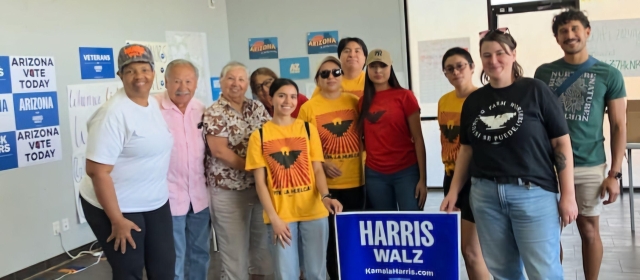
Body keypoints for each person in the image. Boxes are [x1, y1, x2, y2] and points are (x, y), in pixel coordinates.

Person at [440, 29, 579, 279]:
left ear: (513, 54)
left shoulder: (536, 91)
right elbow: (467, 149)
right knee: (503, 272)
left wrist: (568, 195)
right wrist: (454, 191)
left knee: (544, 271)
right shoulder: (474, 101)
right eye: (486, 55)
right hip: (485, 196)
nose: (493, 60)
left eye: (500, 53)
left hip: (533, 194)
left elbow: (561, 144)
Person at [534, 9, 626, 280]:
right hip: (547, 167)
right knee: (549, 234)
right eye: (563, 31)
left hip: (589, 164)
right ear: (557, 38)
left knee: (588, 231)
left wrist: (614, 174)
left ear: (587, 31)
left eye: (575, 29)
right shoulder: (544, 72)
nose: (569, 35)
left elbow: (619, 125)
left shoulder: (609, 74)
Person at [79, 44, 175, 280]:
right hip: (116, 206)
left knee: (163, 269)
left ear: (153, 72)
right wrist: (117, 220)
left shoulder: (151, 103)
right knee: (129, 270)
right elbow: (97, 172)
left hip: (154, 201)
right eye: (130, 71)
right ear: (120, 75)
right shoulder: (112, 114)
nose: (139, 76)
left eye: (144, 69)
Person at [245, 78, 343, 280]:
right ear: (271, 99)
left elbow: (317, 170)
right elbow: (260, 183)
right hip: (281, 216)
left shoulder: (308, 129)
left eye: (292, 96)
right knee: (286, 274)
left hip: (314, 213)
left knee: (316, 272)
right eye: (281, 95)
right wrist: (274, 218)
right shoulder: (260, 136)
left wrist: (326, 197)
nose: (287, 101)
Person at [202, 61, 272, 280]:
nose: (236, 83)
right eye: (230, 78)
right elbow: (219, 151)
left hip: (259, 191)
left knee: (260, 253)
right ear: (221, 82)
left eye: (241, 79)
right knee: (235, 256)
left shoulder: (257, 108)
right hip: (228, 193)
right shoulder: (215, 111)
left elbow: (271, 139)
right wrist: (255, 169)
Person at [297, 56, 364, 279]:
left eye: (336, 72)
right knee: (331, 243)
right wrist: (322, 163)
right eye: (324, 73)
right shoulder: (308, 108)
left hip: (357, 181)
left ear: (342, 76)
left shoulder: (354, 101)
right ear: (317, 79)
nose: (331, 77)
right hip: (327, 186)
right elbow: (302, 147)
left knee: (354, 239)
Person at [154, 59, 210, 280]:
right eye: (176, 81)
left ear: (196, 83)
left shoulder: (202, 109)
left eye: (188, 81)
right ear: (166, 82)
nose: (182, 87)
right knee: (174, 256)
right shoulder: (153, 108)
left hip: (199, 196)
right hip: (168, 195)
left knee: (200, 252)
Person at [437, 47, 490, 280]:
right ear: (445, 74)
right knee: (465, 250)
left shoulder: (483, 99)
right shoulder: (444, 101)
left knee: (472, 250)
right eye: (450, 68)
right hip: (451, 177)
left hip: (477, 179)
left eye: (460, 66)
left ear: (471, 67)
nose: (456, 71)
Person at [358, 49, 427, 211]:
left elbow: (418, 139)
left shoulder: (405, 96)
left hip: (406, 171)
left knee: (411, 223)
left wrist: (423, 179)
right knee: (385, 226)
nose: (378, 70)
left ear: (390, 67)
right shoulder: (362, 102)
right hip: (375, 174)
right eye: (373, 66)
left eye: (382, 66)